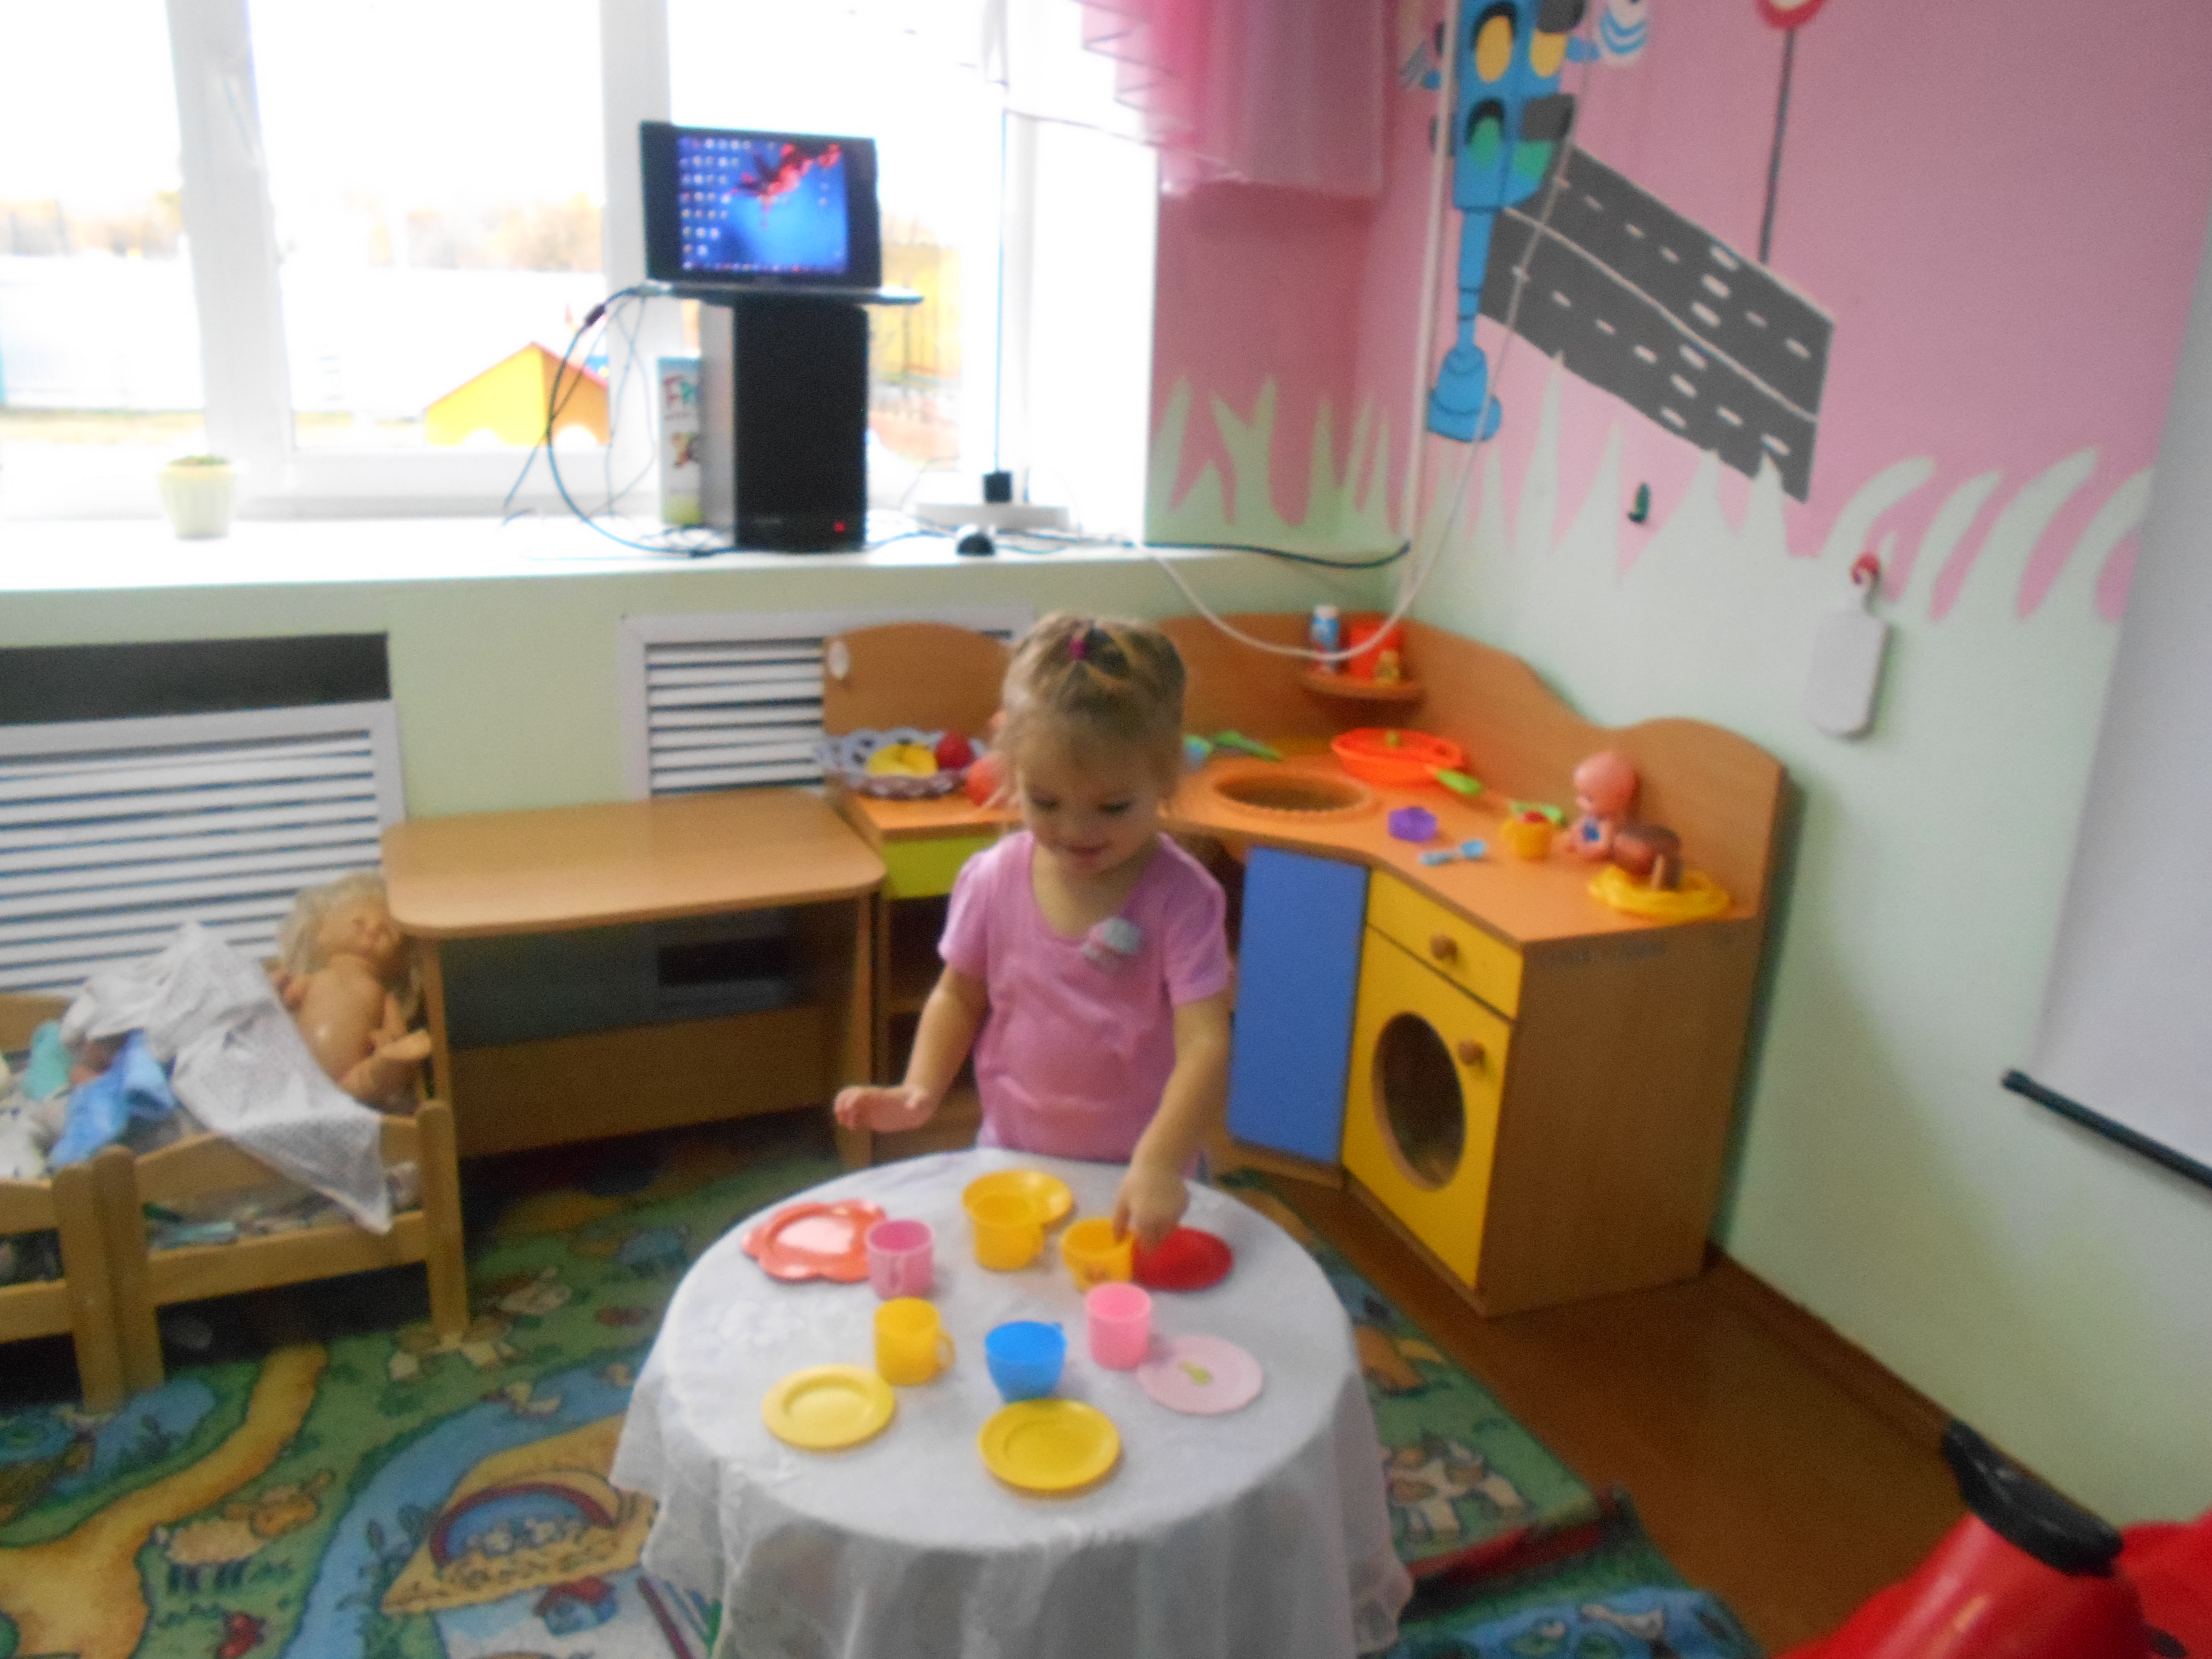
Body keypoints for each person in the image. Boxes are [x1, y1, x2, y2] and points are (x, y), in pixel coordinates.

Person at [833, 614, 1234, 1247]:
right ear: (1010, 771)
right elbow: (958, 995)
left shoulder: (1183, 898)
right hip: (1017, 1163)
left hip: (1138, 1179)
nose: (1077, 831)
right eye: (1045, 802)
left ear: (1165, 778)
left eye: (1112, 807)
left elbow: (1206, 1043)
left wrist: (1159, 1162)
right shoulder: (993, 879)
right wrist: (920, 1088)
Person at [273, 871, 431, 1110]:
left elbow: (395, 1030)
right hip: (299, 1070)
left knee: (376, 1075)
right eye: (359, 923)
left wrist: (391, 1043)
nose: (372, 931)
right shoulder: (312, 981)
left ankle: (383, 1066)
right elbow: (288, 1002)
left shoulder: (384, 998)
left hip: (351, 1083)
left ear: (402, 961)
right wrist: (281, 991)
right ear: (323, 935)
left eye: (387, 931)